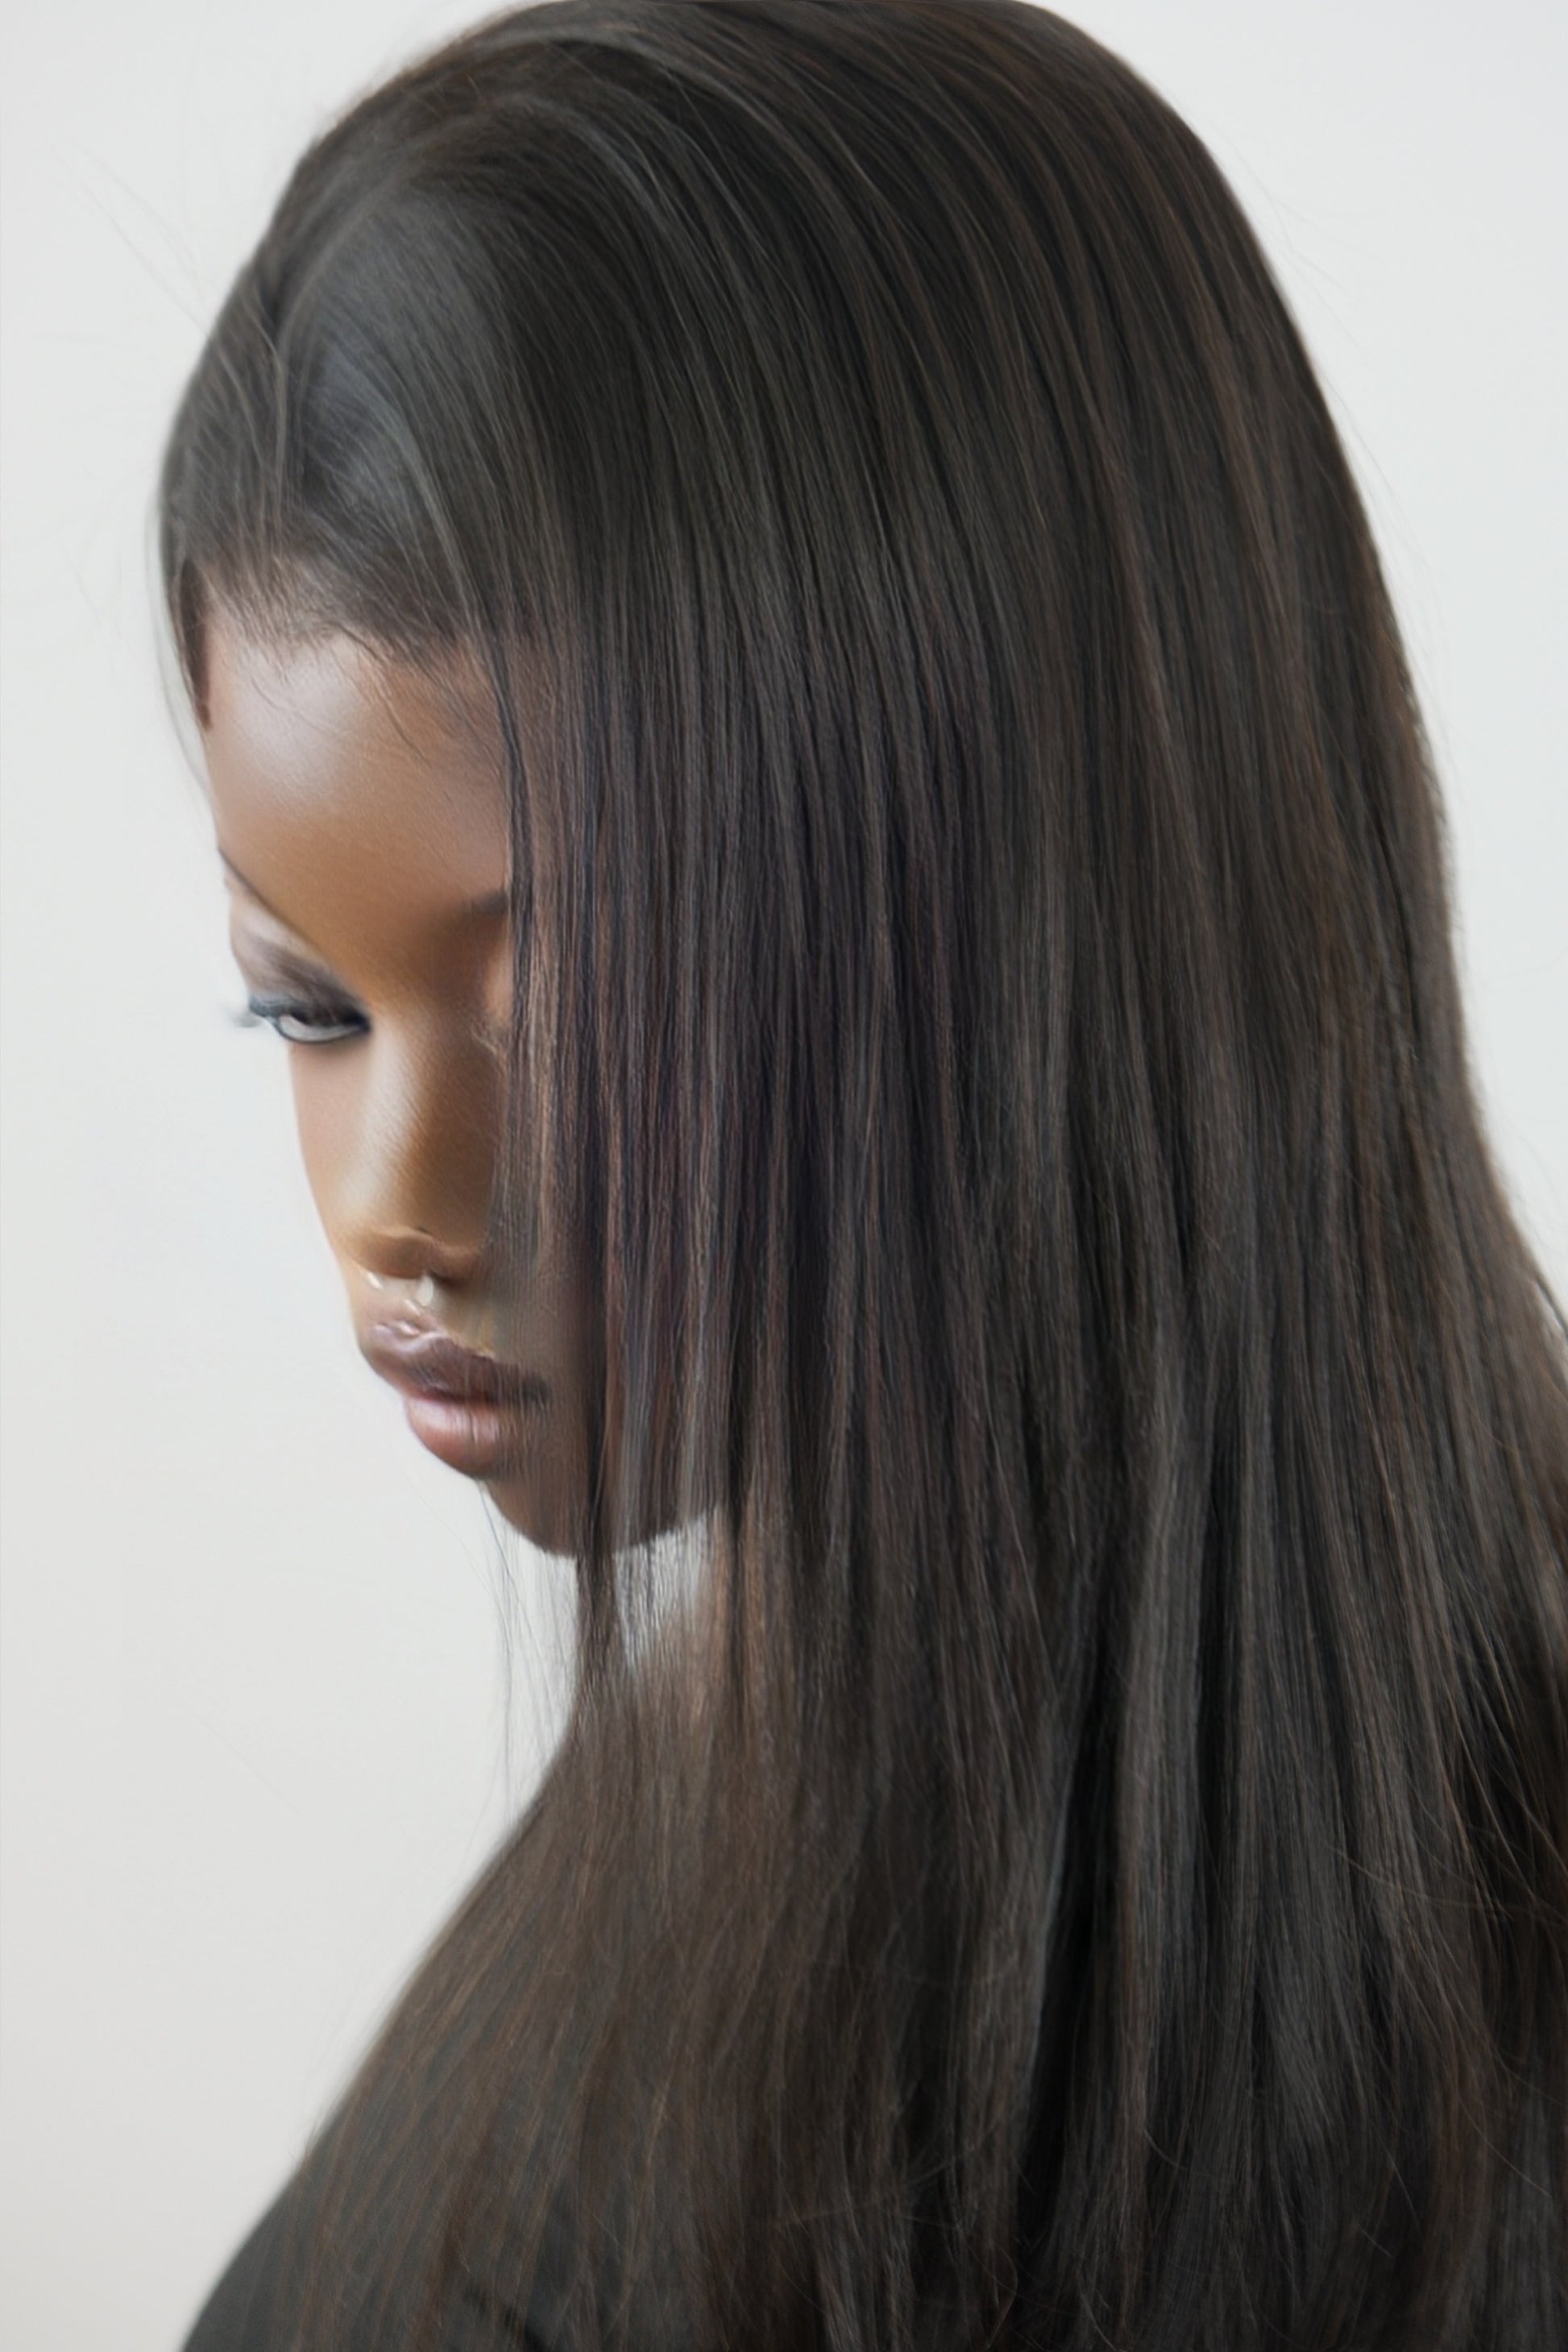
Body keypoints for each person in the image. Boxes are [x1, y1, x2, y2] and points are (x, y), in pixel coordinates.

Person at [159, 2, 1568, 2346]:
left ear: (1058, 898)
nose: (400, 1207)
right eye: (305, 1007)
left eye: (587, 1004)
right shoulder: (703, 1859)